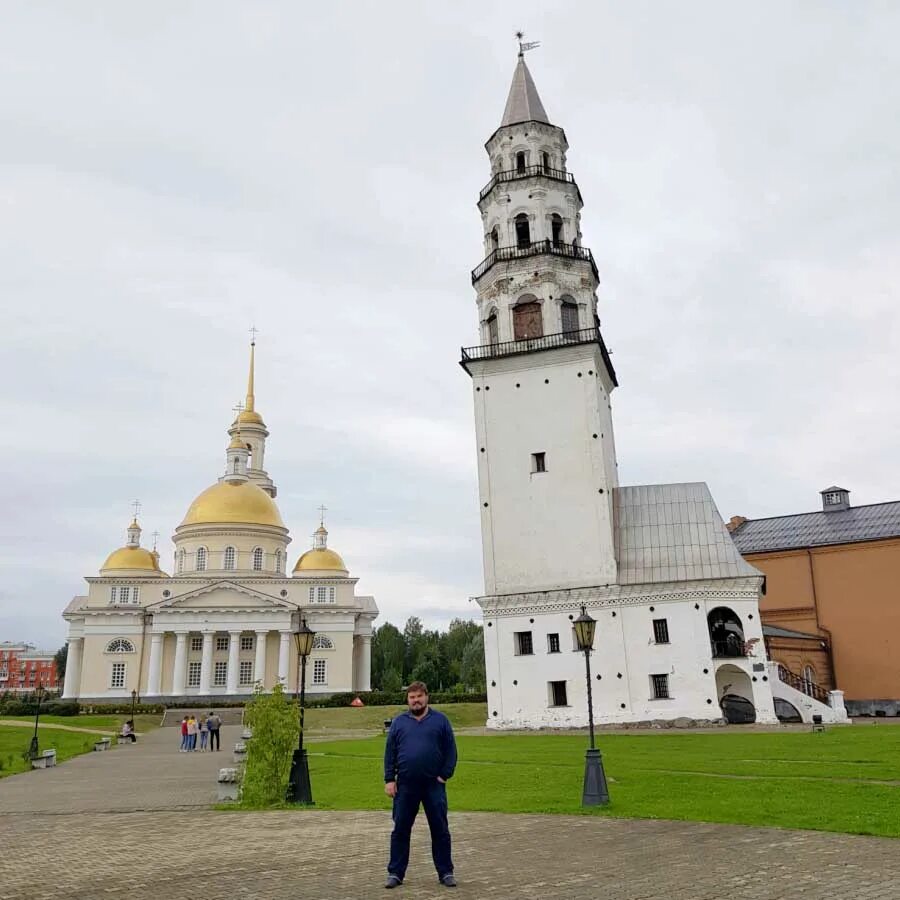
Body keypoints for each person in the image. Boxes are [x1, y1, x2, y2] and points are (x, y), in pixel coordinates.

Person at [383, 681, 457, 889]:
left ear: (427, 697)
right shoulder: (399, 723)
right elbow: (390, 753)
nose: (416, 701)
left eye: (419, 696)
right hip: (405, 786)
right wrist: (389, 779)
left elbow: (451, 751)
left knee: (440, 829)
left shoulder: (441, 721)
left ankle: (446, 872)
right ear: (408, 700)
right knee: (400, 830)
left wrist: (444, 775)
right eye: (412, 697)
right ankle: (395, 873)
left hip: (433, 785)